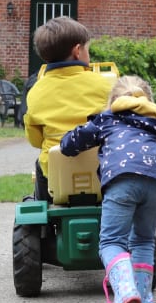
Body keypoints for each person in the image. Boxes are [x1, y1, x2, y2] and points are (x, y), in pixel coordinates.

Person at [60, 75, 156, 303]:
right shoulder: (154, 123)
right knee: (144, 239)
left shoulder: (107, 119)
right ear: (147, 101)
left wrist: (68, 143)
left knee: (111, 241)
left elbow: (71, 143)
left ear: (113, 101)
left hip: (122, 179)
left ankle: (124, 291)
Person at [23, 16, 113, 201]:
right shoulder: (103, 85)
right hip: (102, 170)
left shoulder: (36, 91)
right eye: (87, 48)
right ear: (77, 51)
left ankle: (44, 218)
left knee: (41, 164)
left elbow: (35, 140)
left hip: (56, 175)